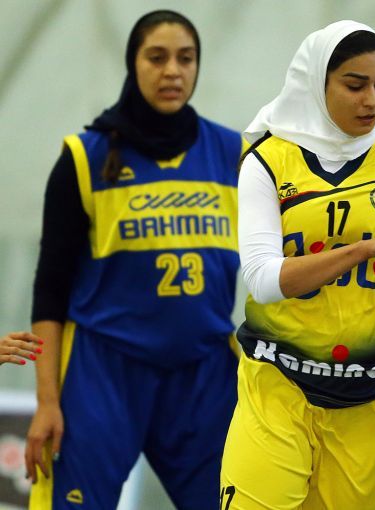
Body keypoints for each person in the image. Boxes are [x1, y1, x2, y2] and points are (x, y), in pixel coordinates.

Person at [222, 20, 375, 510]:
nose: (372, 100)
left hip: (372, 398)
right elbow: (264, 279)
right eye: (355, 85)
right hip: (278, 383)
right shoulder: (266, 162)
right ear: (316, 84)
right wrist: (363, 250)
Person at [24, 10, 244, 509]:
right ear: (133, 63)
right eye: (157, 57)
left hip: (203, 371)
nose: (173, 71)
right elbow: (50, 288)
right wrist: (47, 401)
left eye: (185, 58)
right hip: (103, 372)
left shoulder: (234, 153)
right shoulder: (84, 157)